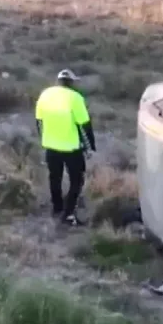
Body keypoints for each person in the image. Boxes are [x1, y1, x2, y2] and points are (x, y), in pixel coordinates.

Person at [35, 69, 97, 226]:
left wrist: (45, 139)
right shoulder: (75, 98)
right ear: (71, 83)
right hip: (71, 148)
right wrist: (90, 147)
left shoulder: (45, 95)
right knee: (77, 180)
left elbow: (39, 122)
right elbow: (85, 125)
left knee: (54, 177)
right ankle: (69, 214)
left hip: (51, 146)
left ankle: (57, 207)